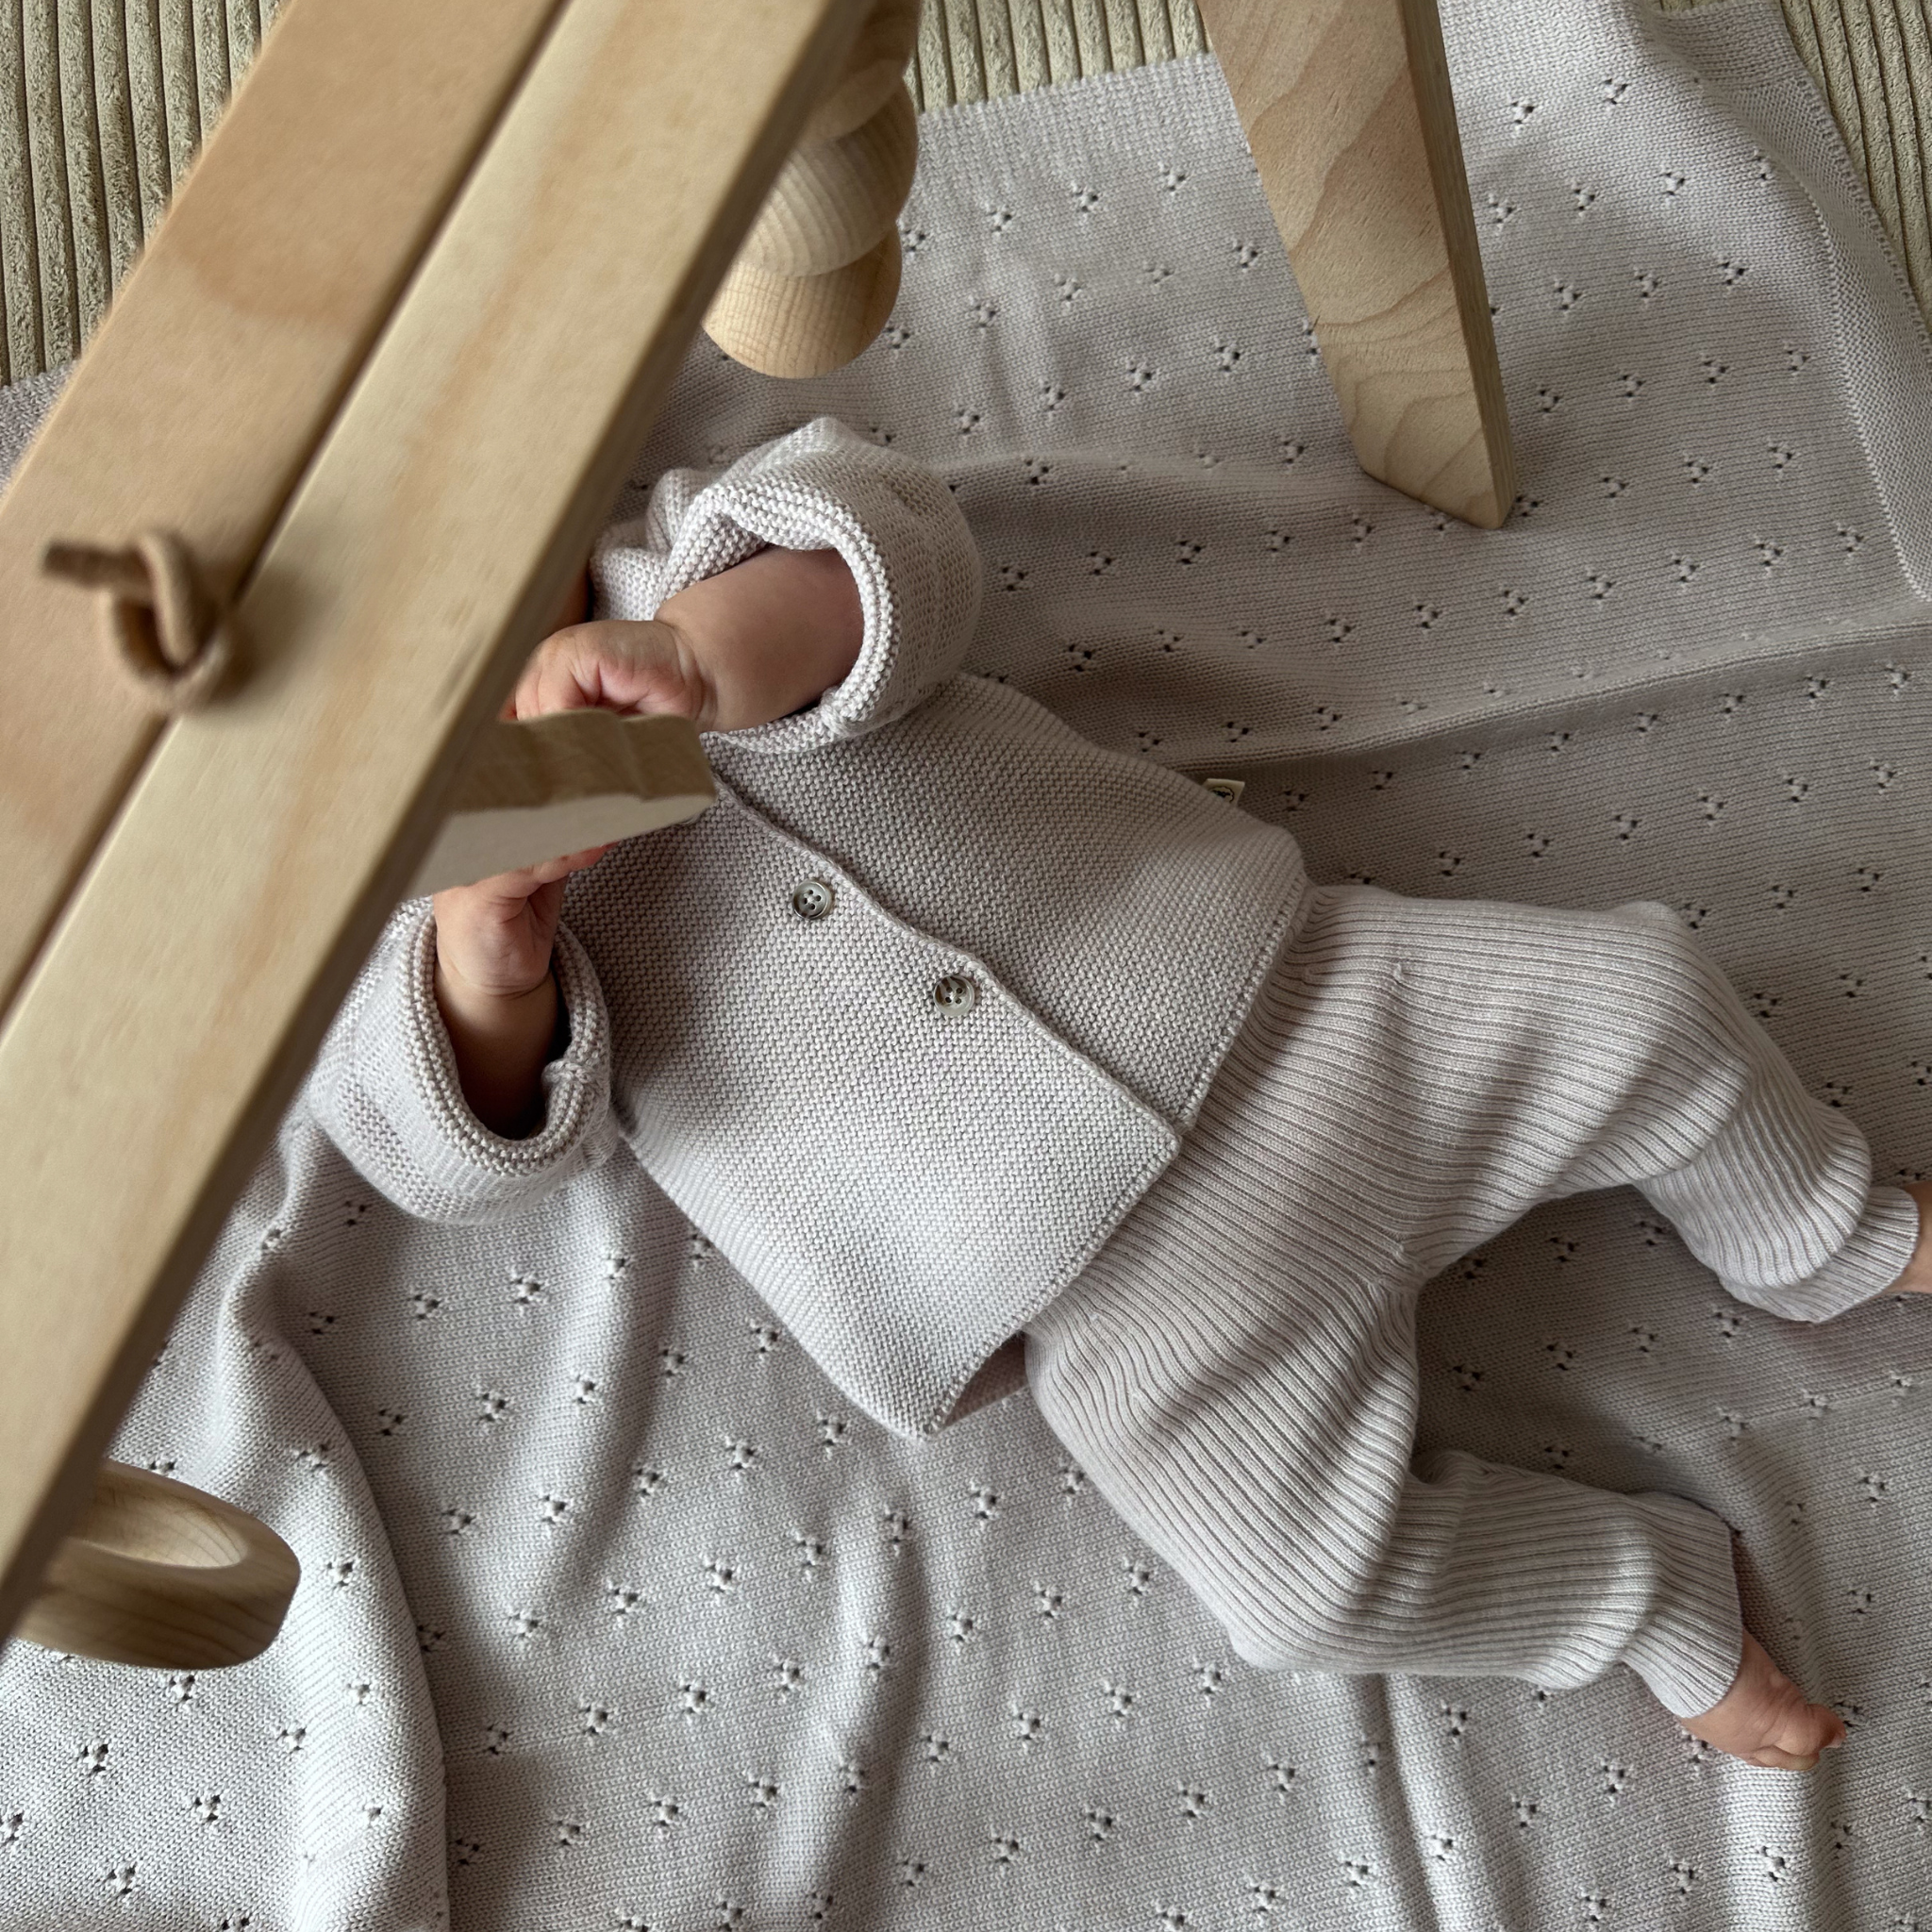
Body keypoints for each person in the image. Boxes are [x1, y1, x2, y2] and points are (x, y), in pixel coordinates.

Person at [314, 418, 1927, 1774]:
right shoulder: (419, 922)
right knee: (1299, 1593)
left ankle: (1816, 1231)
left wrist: (705, 653)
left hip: (1304, 1004)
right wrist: (487, 958)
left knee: (1648, 1002)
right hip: (1112, 1301)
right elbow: (435, 1152)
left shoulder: (686, 556)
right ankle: (1636, 1592)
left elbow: (898, 552)